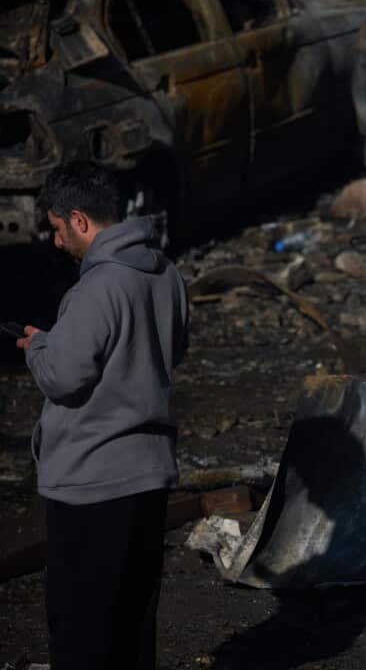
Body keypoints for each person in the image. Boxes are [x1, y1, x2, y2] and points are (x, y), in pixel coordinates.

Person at [15, 162, 189, 670]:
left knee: (82, 628)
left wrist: (38, 346)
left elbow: (63, 376)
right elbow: (170, 350)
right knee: (134, 621)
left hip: (93, 482)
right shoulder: (167, 274)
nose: (56, 241)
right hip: (149, 475)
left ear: (80, 220)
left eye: (57, 228)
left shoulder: (97, 287)